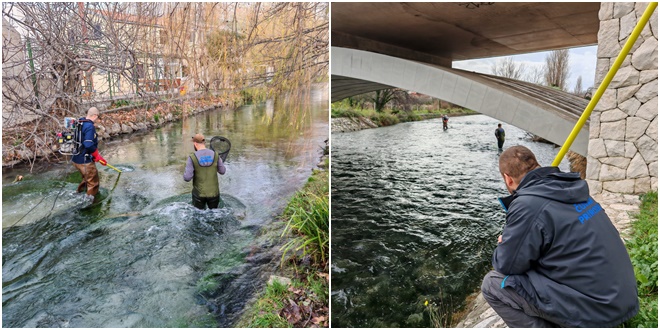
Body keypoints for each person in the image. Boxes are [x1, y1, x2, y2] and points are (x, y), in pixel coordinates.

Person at [481, 146, 638, 328]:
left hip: (598, 311)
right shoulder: (572, 187)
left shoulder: (527, 204)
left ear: (508, 179)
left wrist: (504, 244)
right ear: (536, 165)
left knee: (492, 285)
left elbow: (506, 264)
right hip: (622, 301)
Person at [183, 133, 226, 209]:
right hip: (214, 194)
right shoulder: (215, 155)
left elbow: (187, 178)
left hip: (199, 195)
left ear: (195, 144)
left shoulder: (192, 157)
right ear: (204, 143)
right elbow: (222, 171)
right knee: (215, 215)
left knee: (198, 215)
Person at [72, 107, 107, 201]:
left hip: (76, 159)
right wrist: (96, 155)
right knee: (93, 183)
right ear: (95, 115)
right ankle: (90, 202)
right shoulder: (89, 126)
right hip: (85, 161)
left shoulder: (79, 122)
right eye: (98, 117)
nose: (97, 120)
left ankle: (78, 193)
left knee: (86, 178)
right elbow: (88, 144)